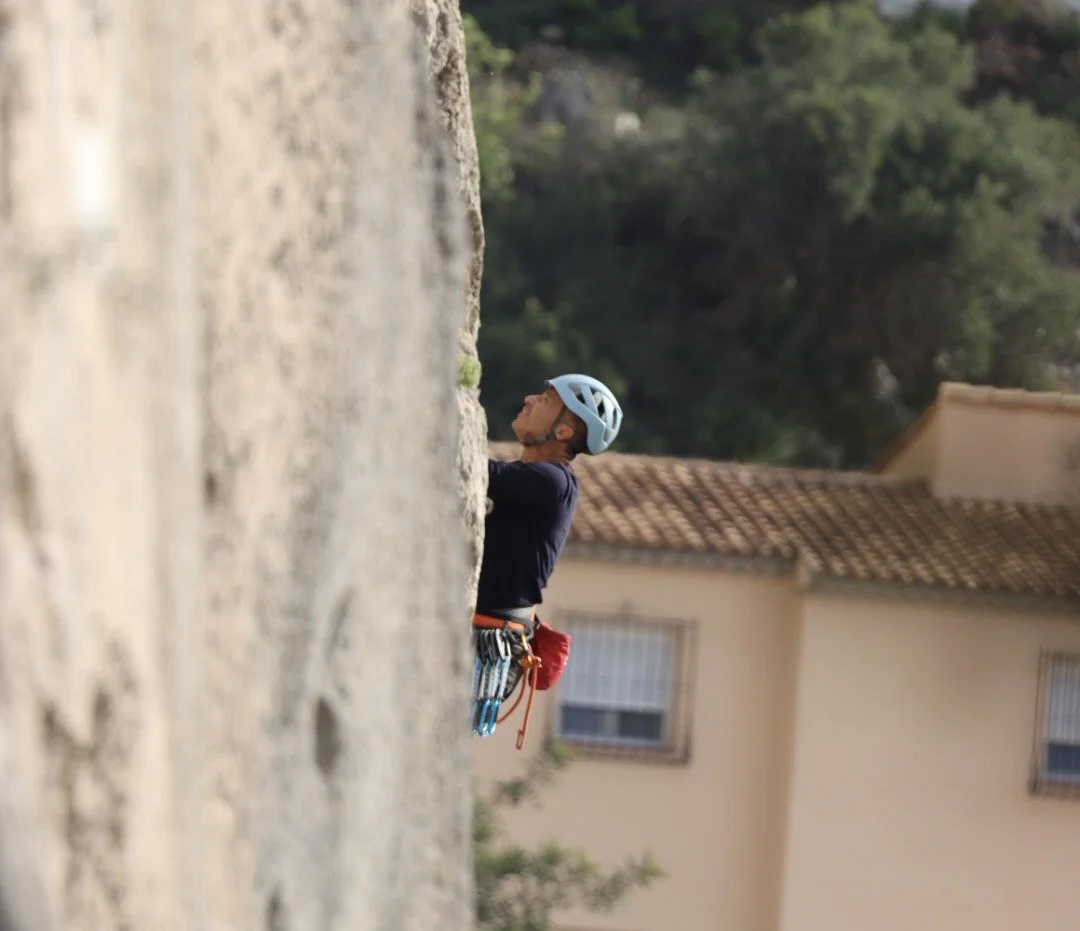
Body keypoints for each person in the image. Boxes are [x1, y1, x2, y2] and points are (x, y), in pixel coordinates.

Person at [471, 374, 622, 742]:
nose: (529, 399)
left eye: (546, 400)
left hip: (487, 644)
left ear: (563, 432)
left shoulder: (551, 482)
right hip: (486, 636)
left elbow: (473, 470)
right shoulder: (538, 480)